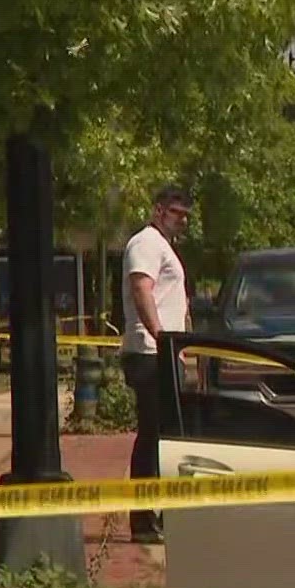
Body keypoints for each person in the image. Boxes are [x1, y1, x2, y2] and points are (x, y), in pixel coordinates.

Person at [122, 184, 193, 545]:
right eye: (176, 212)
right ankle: (144, 519)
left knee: (162, 436)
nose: (182, 220)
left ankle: (156, 514)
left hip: (164, 352)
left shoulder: (165, 247)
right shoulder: (146, 243)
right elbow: (142, 288)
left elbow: (172, 299)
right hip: (150, 353)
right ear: (158, 210)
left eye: (185, 215)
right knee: (153, 436)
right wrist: (161, 336)